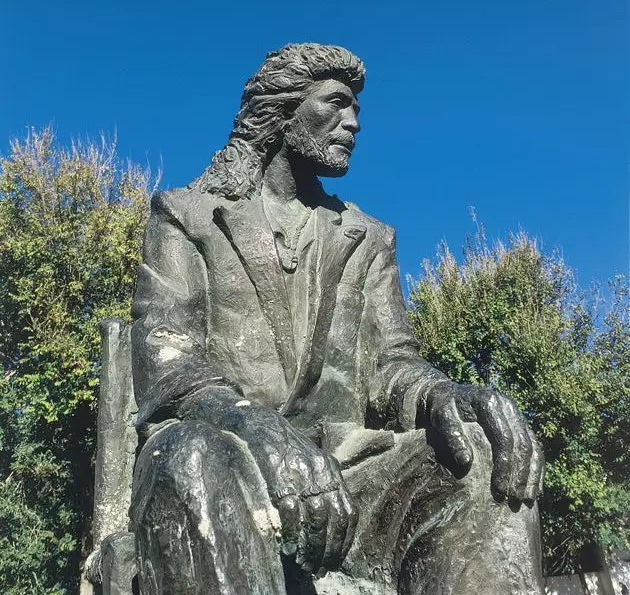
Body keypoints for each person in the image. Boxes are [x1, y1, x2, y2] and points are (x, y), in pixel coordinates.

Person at [130, 43, 545, 594]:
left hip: (353, 476)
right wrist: (253, 425)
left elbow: (392, 363)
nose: (352, 123)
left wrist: (440, 394)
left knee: (479, 460)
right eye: (337, 104)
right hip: (228, 452)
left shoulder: (371, 238)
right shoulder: (187, 216)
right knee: (189, 457)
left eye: (357, 111)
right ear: (284, 109)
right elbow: (167, 350)